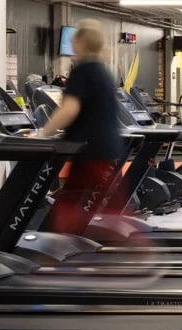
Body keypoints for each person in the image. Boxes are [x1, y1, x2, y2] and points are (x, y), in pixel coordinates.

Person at [36, 20, 125, 236]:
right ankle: (134, 254)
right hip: (108, 149)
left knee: (69, 204)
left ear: (81, 42)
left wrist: (41, 133)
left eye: (73, 39)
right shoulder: (102, 70)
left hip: (91, 152)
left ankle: (57, 249)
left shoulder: (82, 71)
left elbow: (69, 109)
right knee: (110, 208)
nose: (71, 43)